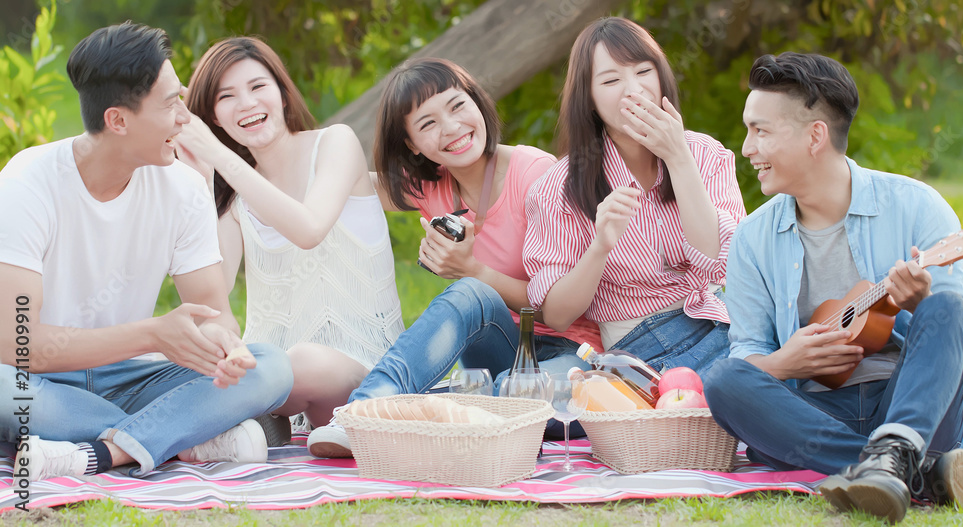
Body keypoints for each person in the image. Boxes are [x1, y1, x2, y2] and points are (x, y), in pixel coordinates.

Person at [0, 23, 293, 481]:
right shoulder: (27, 184)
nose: (185, 118)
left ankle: (103, 449)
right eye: (172, 103)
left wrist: (224, 347)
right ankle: (189, 437)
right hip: (42, 381)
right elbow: (18, 347)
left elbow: (214, 314)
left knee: (272, 369)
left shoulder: (184, 188)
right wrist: (153, 336)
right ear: (117, 120)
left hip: (132, 380)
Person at [702, 52, 963, 523]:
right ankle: (909, 469)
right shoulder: (752, 238)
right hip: (813, 415)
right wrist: (783, 361)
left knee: (949, 306)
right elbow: (747, 353)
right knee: (721, 380)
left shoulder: (917, 207)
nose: (747, 149)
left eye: (761, 131)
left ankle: (897, 451)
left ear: (815, 136)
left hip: (913, 404)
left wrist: (920, 302)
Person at [307, 57, 602, 458]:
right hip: (498, 349)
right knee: (470, 300)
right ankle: (362, 411)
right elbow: (344, 183)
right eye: (427, 123)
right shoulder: (431, 187)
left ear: (477, 104)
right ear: (412, 144)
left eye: (457, 106)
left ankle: (452, 411)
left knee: (502, 394)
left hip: (566, 351)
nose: (451, 128)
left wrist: (472, 269)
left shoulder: (535, 175)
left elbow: (556, 309)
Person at [176, 37, 404, 441]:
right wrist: (201, 178)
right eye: (226, 96)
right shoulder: (232, 194)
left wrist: (218, 155)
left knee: (298, 362)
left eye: (257, 86)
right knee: (166, 354)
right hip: (266, 368)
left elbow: (309, 229)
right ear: (213, 117)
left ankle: (244, 420)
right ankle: (256, 422)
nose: (246, 103)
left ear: (282, 93)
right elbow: (210, 294)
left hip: (363, 371)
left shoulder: (335, 143)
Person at [523, 17, 745, 375]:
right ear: (590, 99)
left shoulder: (705, 155)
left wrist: (678, 158)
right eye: (611, 80)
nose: (634, 90)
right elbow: (558, 315)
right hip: (640, 347)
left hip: (718, 321)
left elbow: (726, 264)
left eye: (644, 71)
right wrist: (600, 247)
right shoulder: (559, 186)